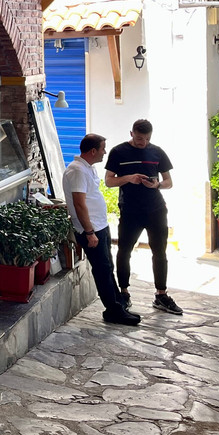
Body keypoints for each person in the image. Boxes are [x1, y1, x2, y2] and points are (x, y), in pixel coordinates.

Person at [105, 119, 181, 315]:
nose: (143, 142)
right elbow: (108, 181)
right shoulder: (118, 152)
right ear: (131, 133)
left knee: (160, 252)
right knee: (124, 251)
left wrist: (157, 184)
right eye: (139, 138)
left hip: (156, 209)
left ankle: (161, 295)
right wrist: (129, 178)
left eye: (147, 139)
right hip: (130, 210)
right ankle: (124, 293)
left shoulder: (157, 152)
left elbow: (169, 182)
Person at [63, 134, 141, 326]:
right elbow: (79, 203)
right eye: (102, 148)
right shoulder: (77, 170)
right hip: (91, 229)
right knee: (102, 269)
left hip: (100, 225)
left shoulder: (87, 168)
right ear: (93, 151)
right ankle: (113, 310)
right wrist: (89, 232)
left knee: (108, 267)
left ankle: (118, 304)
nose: (105, 152)